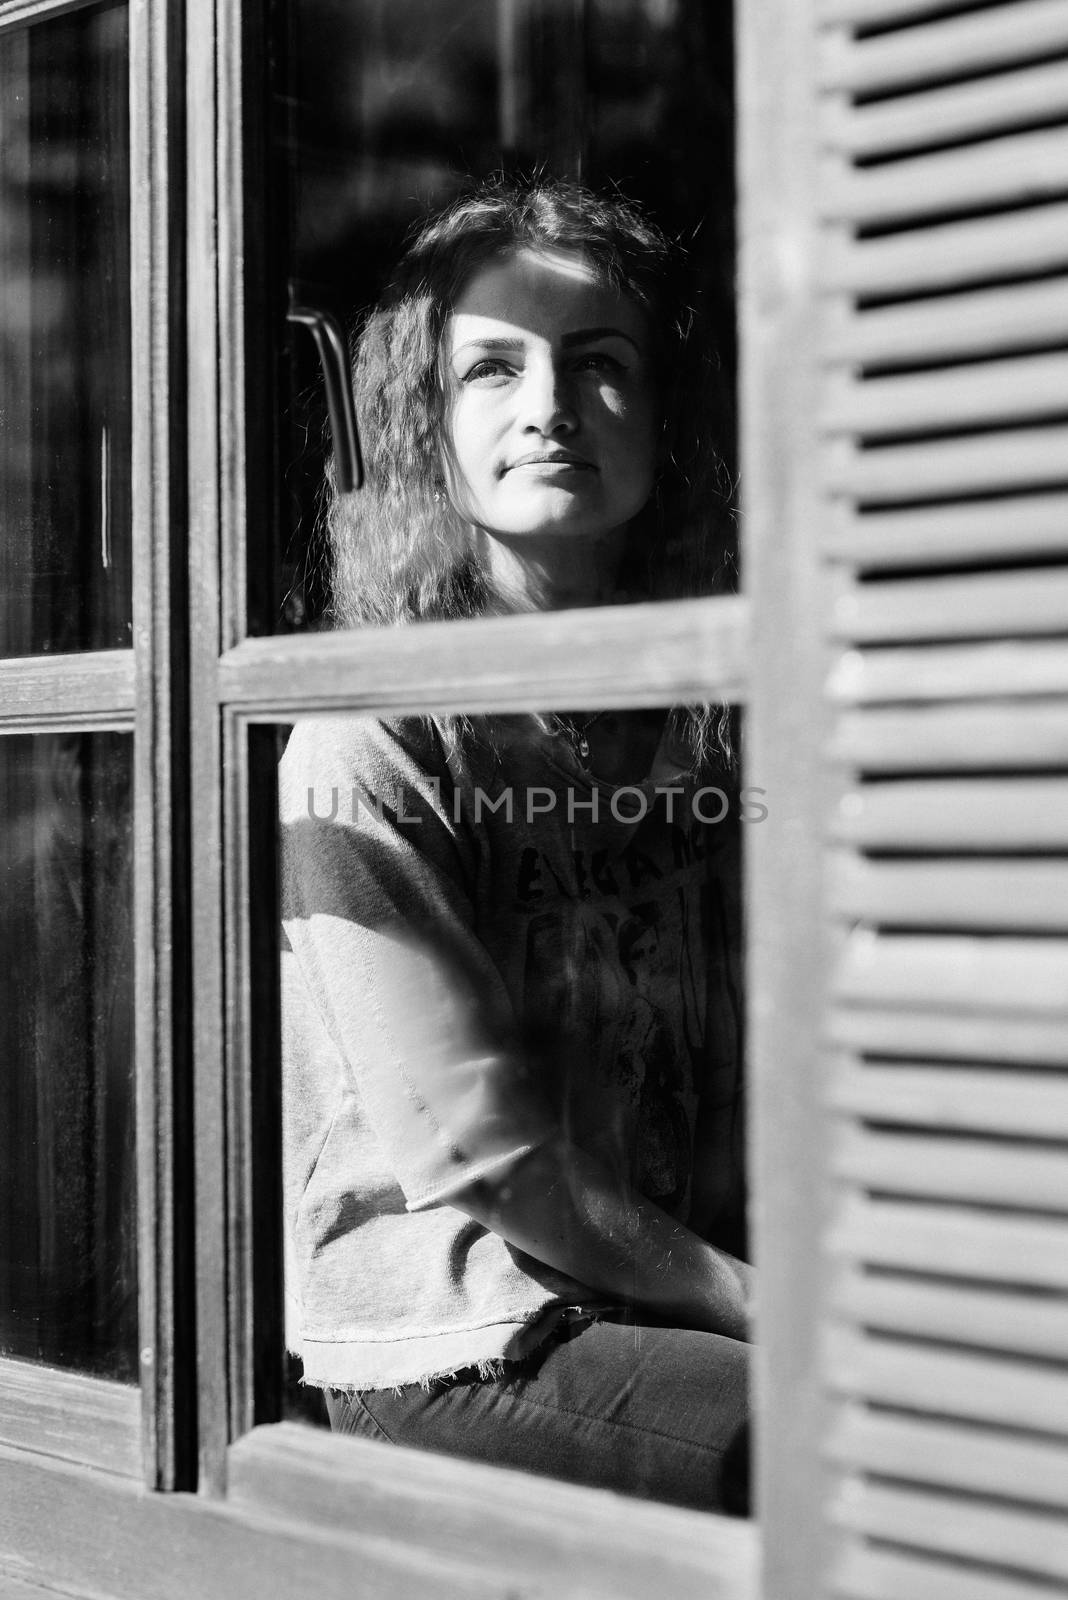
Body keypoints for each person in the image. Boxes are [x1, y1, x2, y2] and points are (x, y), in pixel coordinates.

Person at [280, 179, 751, 1515]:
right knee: (843, 1445)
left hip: (678, 1286)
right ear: (429, 426)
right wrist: (761, 1299)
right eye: (492, 367)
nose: (548, 403)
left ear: (667, 415)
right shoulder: (370, 737)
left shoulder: (717, 712)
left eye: (599, 365)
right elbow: (486, 1156)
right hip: (465, 1331)